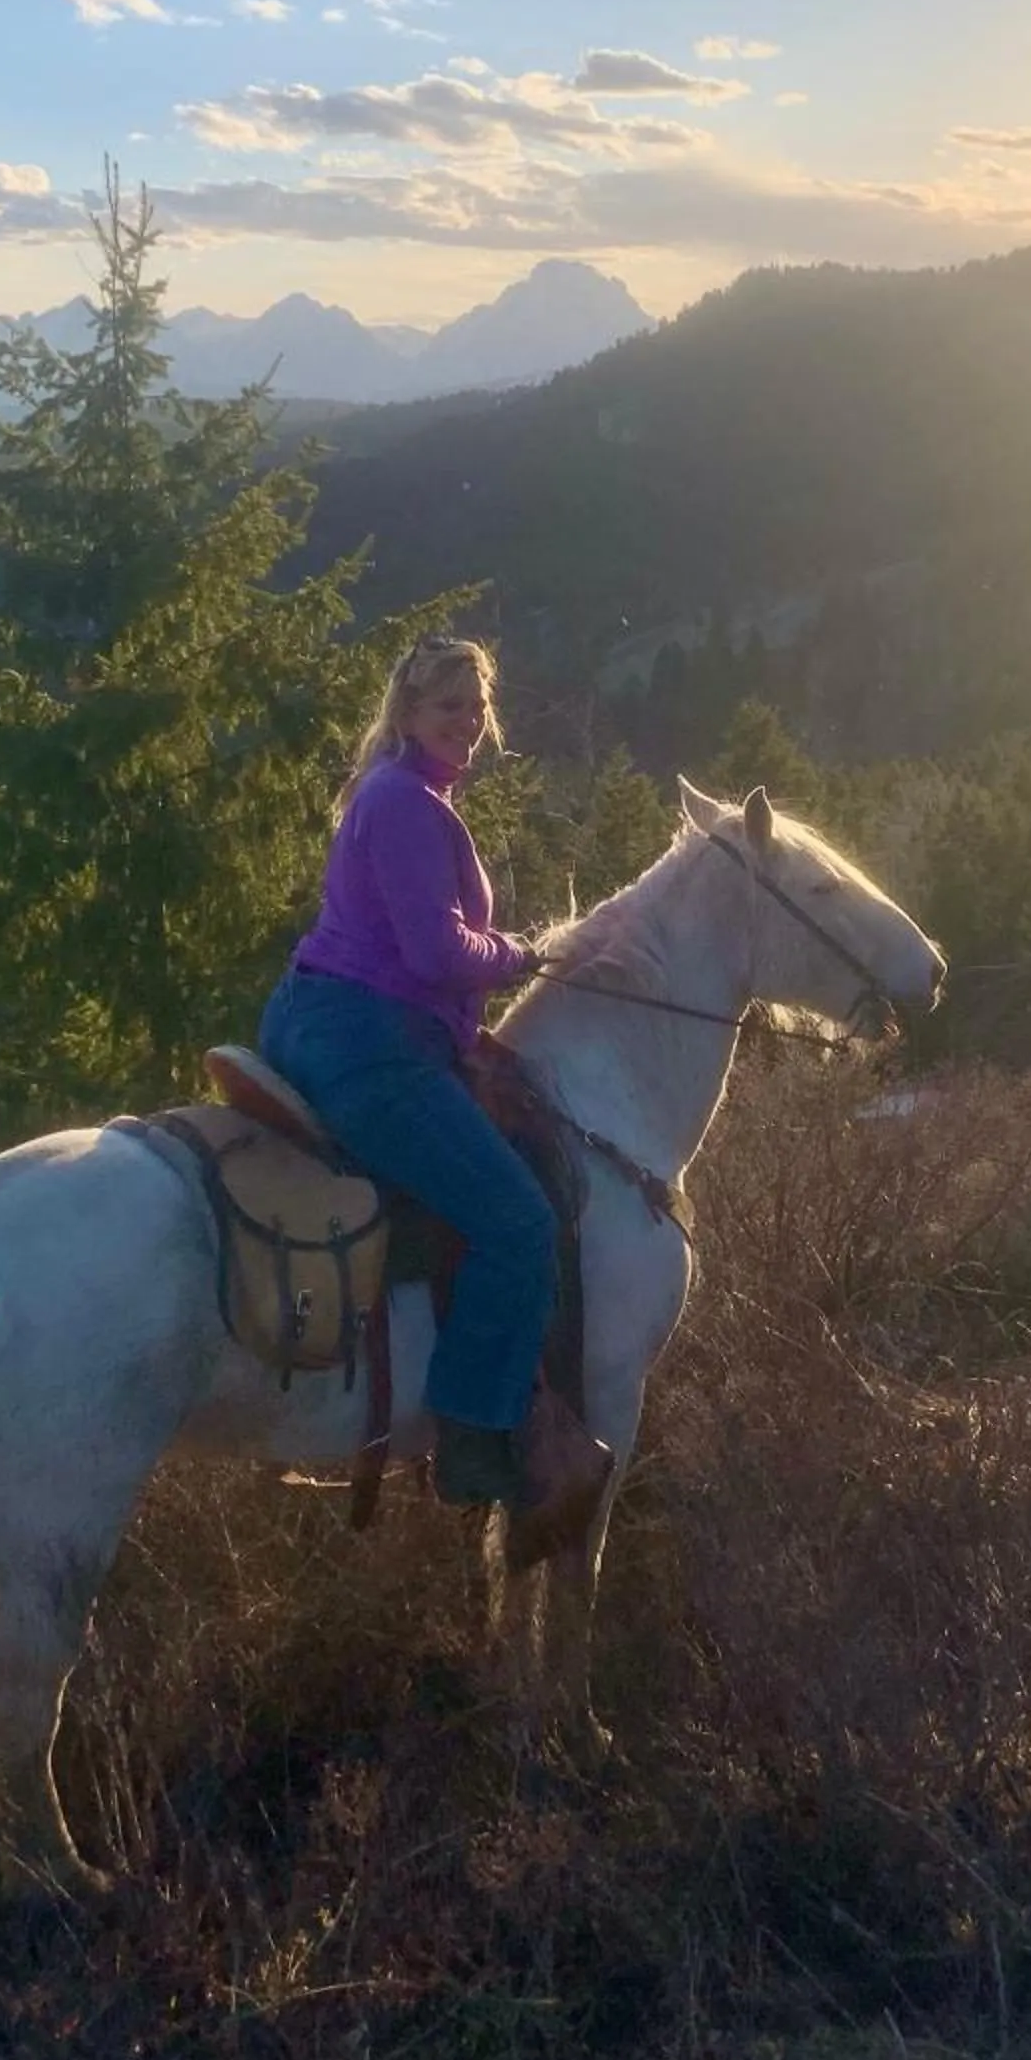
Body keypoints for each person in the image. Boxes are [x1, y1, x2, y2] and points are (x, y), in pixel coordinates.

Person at [258, 633, 611, 1552]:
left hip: (332, 1022)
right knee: (519, 1221)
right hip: (370, 1049)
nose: (468, 721)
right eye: (448, 704)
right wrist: (529, 953)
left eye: (478, 706)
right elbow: (435, 953)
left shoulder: (395, 794)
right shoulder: (408, 804)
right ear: (409, 713)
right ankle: (474, 1436)